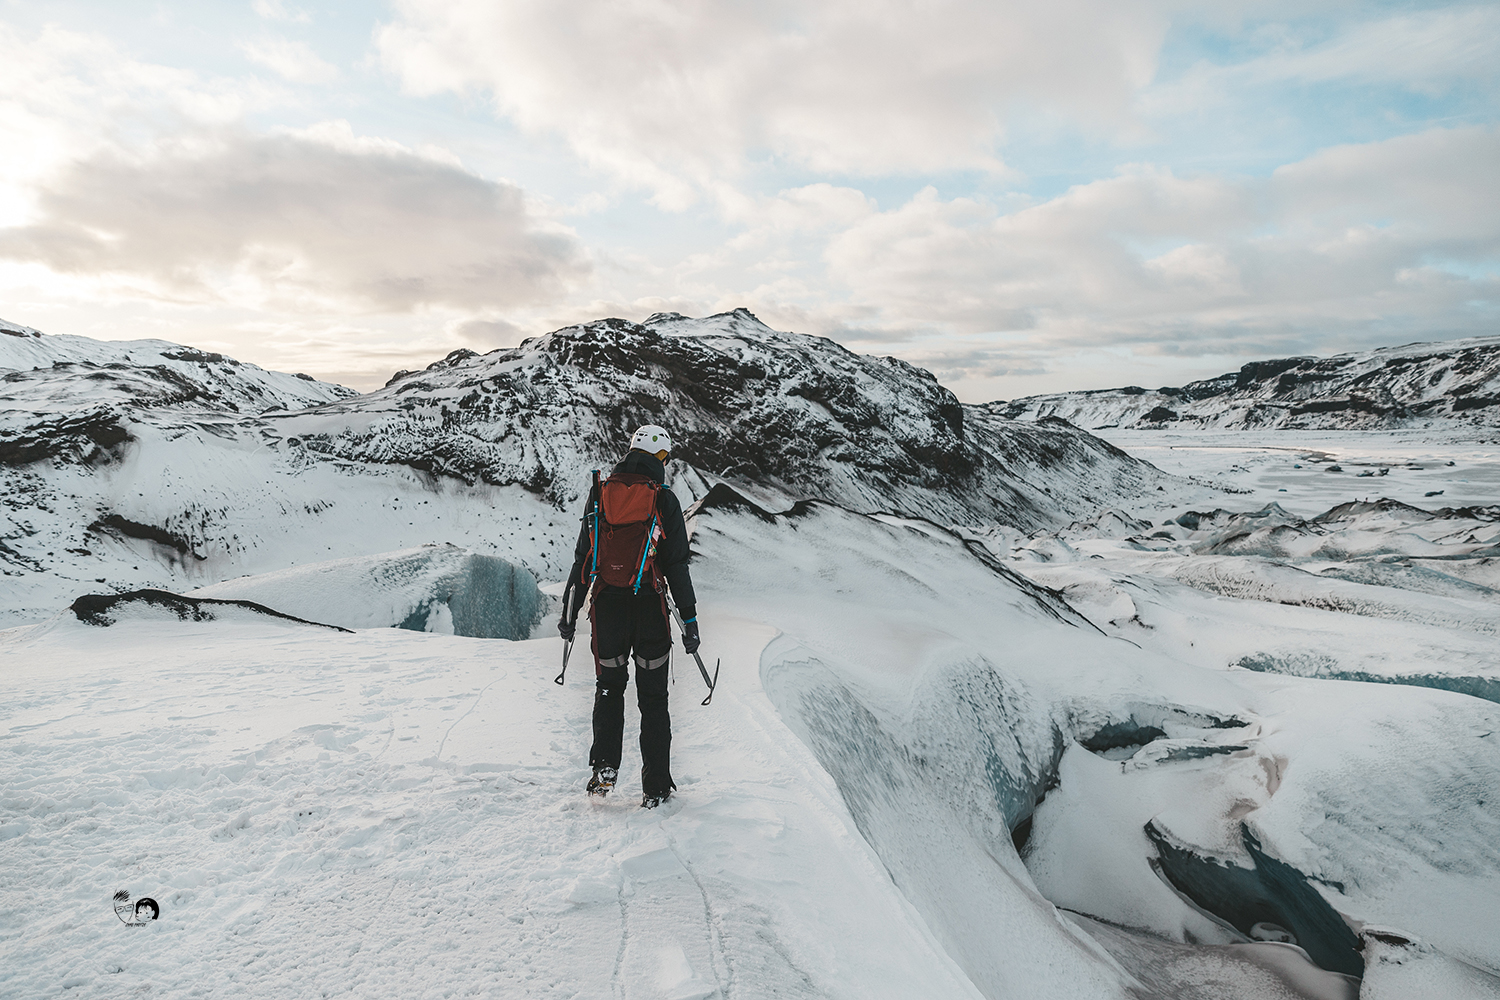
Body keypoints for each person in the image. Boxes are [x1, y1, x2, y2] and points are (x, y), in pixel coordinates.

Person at [558, 424, 699, 808]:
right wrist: (689, 621)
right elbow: (677, 566)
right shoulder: (664, 500)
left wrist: (570, 613)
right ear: (661, 458)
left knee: (609, 689)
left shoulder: (600, 493)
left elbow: (583, 559)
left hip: (608, 610)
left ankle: (604, 768)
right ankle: (655, 787)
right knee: (653, 699)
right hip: (650, 610)